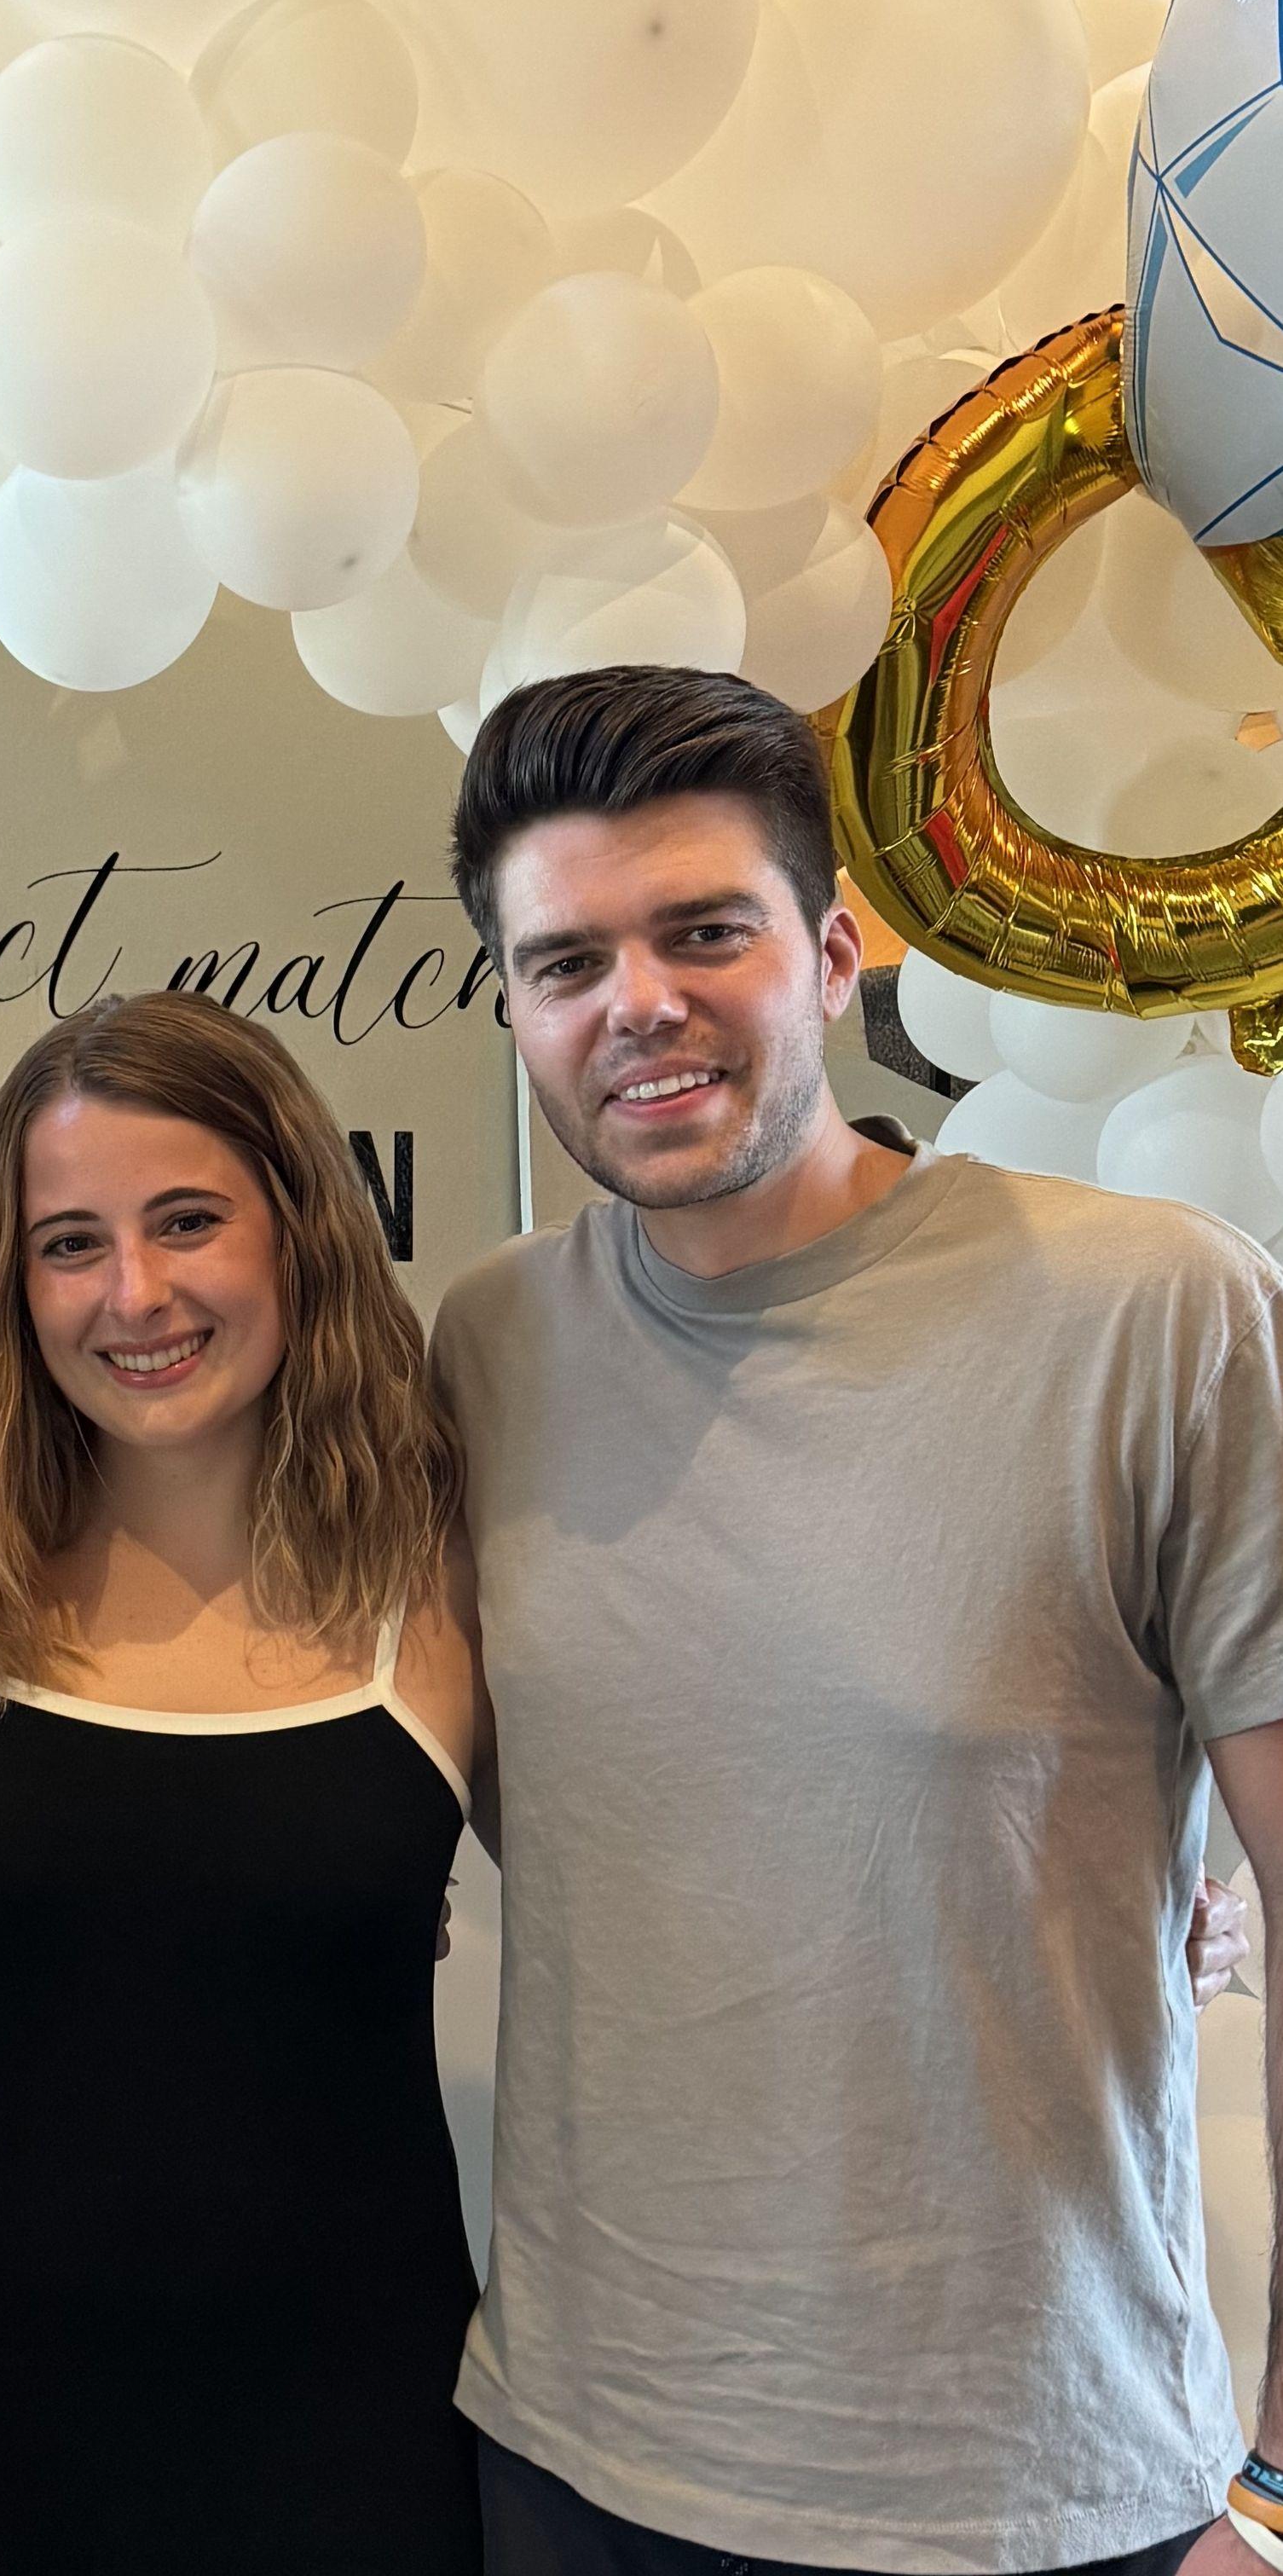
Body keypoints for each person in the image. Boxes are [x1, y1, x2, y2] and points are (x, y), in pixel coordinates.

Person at [430, 664, 1283, 2576]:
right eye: (566, 962)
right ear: (517, 1011)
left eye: (702, 932)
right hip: (576, 2466)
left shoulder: (1155, 1314)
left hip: (1030, 2494)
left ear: (827, 959)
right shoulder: (490, 1345)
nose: (637, 1003)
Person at [0, 989, 491, 2576]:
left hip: (356, 2424)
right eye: (70, 1243)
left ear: (299, 1228)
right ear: (11, 1281)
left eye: (187, 1221)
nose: (133, 1293)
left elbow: (644, 1924)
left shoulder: (447, 1562)